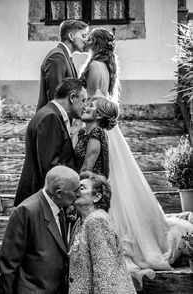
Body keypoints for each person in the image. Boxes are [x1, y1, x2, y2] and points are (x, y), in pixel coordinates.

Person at [79, 27, 193, 289]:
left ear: (96, 43)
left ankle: (122, 238)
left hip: (98, 122)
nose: (85, 41)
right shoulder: (106, 64)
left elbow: (96, 98)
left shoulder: (95, 64)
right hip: (107, 125)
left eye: (89, 38)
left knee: (113, 179)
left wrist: (81, 120)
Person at [0, 165, 81, 294]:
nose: (79, 194)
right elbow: (8, 265)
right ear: (59, 193)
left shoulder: (60, 205)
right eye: (75, 190)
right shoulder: (26, 211)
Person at [14, 78, 87, 206]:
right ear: (72, 97)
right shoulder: (50, 117)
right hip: (40, 202)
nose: (85, 106)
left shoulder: (50, 113)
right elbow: (50, 166)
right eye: (83, 100)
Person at [68, 171, 136, 294]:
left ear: (97, 196)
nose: (75, 191)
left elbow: (105, 272)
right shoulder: (80, 222)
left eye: (81, 188)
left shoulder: (97, 220)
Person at [36, 19, 89, 111]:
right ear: (71, 36)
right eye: (83, 36)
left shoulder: (65, 56)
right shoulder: (57, 57)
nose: (86, 40)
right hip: (53, 119)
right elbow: (56, 97)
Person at [75, 96, 119, 179]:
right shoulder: (83, 133)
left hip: (87, 184)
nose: (85, 108)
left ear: (99, 115)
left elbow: (86, 169)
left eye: (90, 106)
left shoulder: (97, 133)